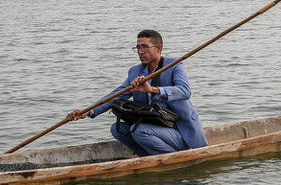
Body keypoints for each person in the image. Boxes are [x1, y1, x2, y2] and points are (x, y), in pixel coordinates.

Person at [66, 29, 207, 156]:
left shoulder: (174, 66)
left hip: (180, 132)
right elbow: (117, 95)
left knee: (139, 131)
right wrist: (89, 111)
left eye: (145, 47)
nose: (140, 51)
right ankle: (147, 157)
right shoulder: (135, 72)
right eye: (138, 48)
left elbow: (185, 91)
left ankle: (173, 157)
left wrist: (153, 89)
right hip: (154, 127)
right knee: (117, 129)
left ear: (159, 48)